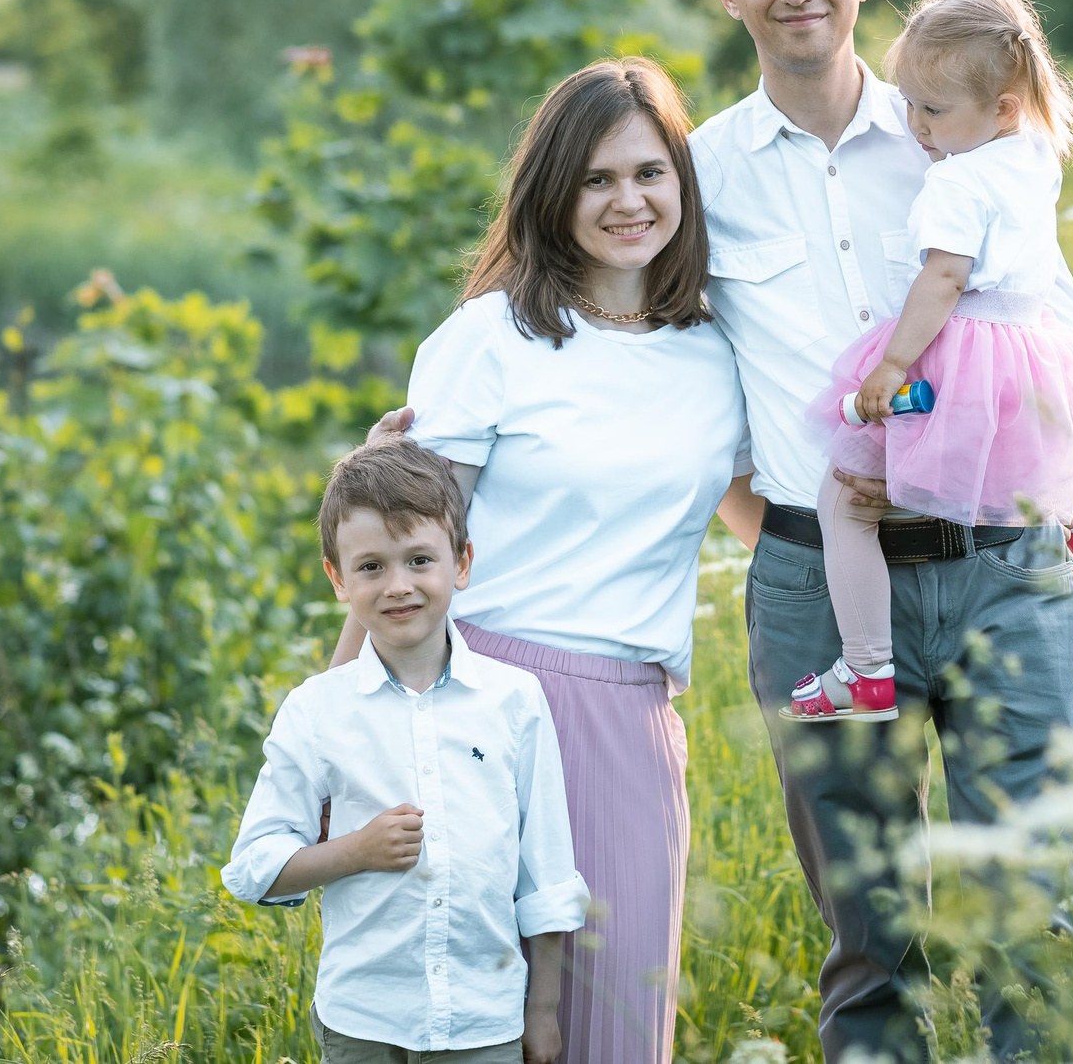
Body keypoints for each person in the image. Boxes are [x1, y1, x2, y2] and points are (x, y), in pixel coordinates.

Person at [689, 0, 1073, 1062]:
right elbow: (665, 378)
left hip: (1001, 573)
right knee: (871, 938)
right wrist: (780, 542)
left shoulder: (963, 143)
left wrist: (1048, 508)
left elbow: (1053, 337)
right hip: (819, 584)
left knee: (1034, 910)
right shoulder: (698, 177)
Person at [356, 57, 762, 1064]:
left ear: (682, 182)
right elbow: (405, 559)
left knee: (615, 1031)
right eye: (595, 179)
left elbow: (761, 519)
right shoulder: (488, 340)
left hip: (629, 717)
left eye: (649, 173)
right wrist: (343, 728)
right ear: (553, 193)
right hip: (479, 706)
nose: (627, 201)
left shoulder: (717, 354)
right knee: (475, 1030)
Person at [782, 0, 1073, 723]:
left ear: (1003, 108)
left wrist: (892, 364)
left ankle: (864, 668)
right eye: (908, 104)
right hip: (1032, 352)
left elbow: (946, 276)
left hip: (963, 351)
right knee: (1021, 471)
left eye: (933, 109)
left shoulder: (957, 180)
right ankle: (1064, 533)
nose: (916, 126)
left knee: (844, 500)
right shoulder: (1035, 157)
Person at [221, 435, 590, 1064]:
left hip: (484, 1020)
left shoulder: (515, 700)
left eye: (420, 560)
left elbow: (546, 874)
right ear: (338, 579)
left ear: (462, 563)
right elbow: (253, 867)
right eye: (371, 567)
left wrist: (543, 1015)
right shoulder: (316, 711)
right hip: (363, 1020)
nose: (398, 585)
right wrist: (353, 852)